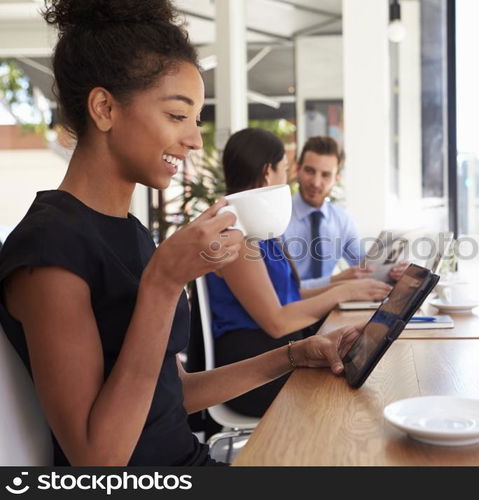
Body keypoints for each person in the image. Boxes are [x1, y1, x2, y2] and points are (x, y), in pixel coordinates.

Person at [0, 0, 360, 466]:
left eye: (196, 120)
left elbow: (174, 396)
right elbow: (98, 460)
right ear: (104, 108)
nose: (194, 140)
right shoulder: (48, 251)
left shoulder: (128, 233)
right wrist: (165, 282)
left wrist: (293, 355)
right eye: (177, 116)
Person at [208, 128, 392, 417]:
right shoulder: (236, 233)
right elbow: (277, 322)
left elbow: (288, 296)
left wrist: (349, 287)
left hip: (274, 353)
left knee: (362, 367)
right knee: (353, 384)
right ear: (268, 173)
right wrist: (342, 291)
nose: (287, 180)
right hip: (250, 369)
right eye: (284, 169)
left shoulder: (255, 225)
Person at [283, 136, 408, 288]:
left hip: (331, 306)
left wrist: (393, 272)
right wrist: (334, 281)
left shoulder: (342, 220)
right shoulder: (279, 218)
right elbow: (281, 290)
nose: (316, 182)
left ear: (337, 178)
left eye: (325, 175)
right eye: (310, 171)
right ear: (297, 169)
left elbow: (366, 269)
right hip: (290, 308)